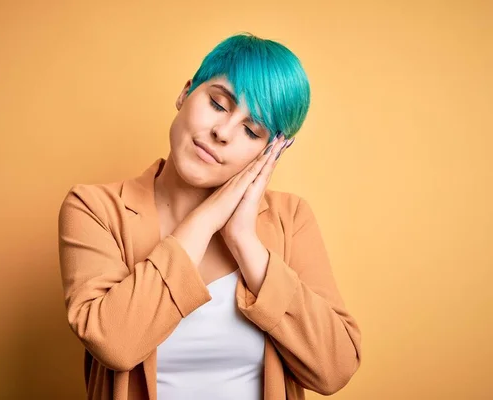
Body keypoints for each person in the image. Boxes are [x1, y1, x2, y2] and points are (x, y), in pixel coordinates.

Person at [58, 32, 362, 400]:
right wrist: (208, 218)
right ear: (186, 93)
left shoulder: (290, 218)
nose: (222, 132)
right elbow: (115, 344)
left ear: (269, 152)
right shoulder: (94, 209)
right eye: (218, 104)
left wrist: (244, 241)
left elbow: (336, 369)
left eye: (251, 131)